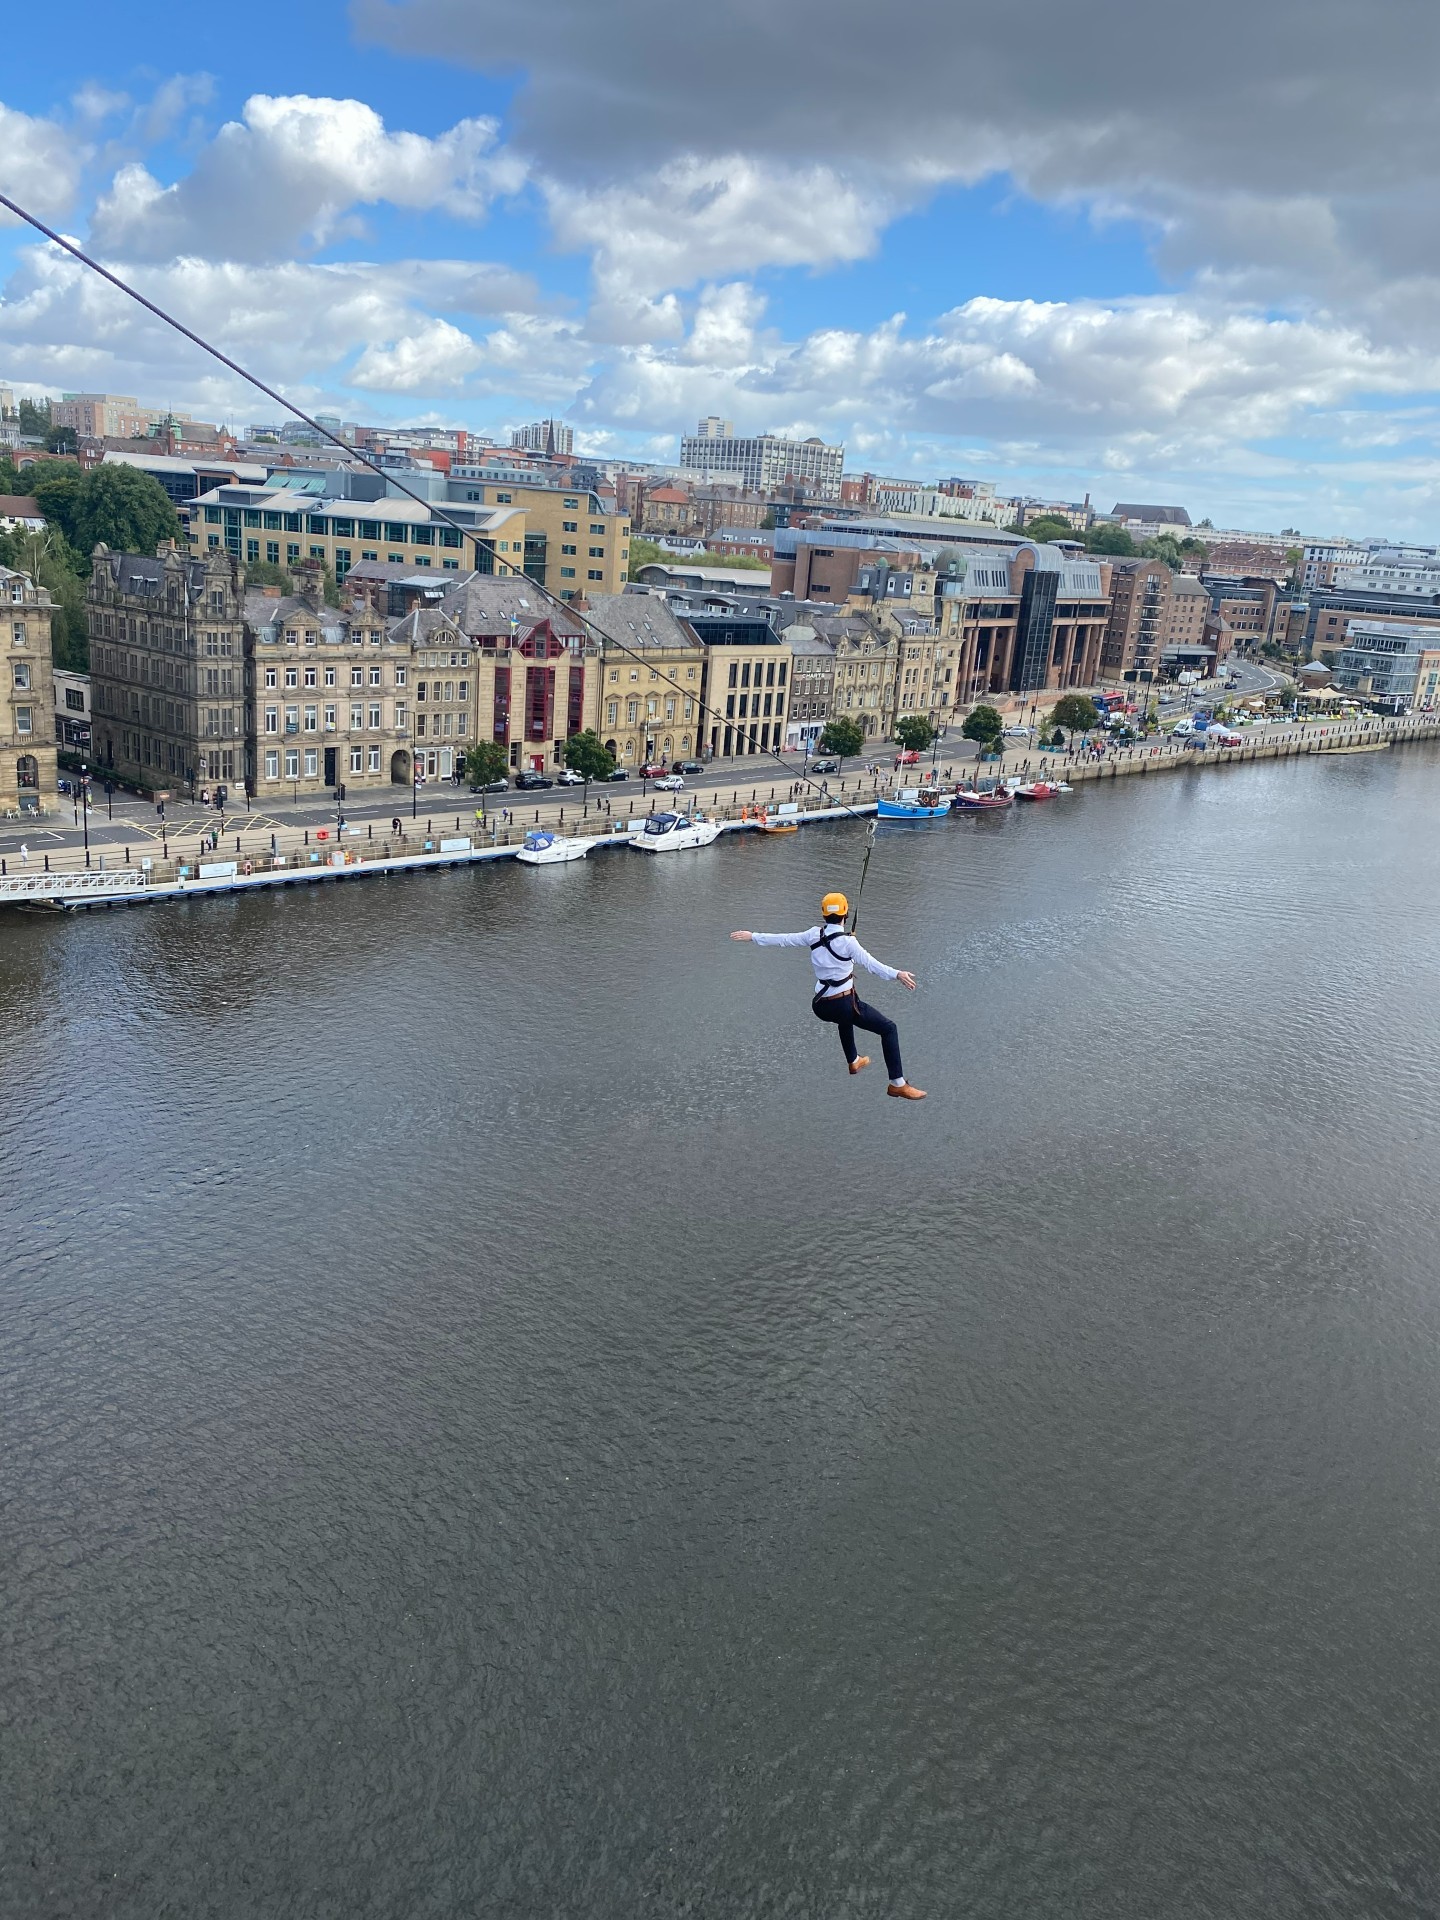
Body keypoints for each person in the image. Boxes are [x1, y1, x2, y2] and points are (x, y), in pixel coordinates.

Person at [731, 891, 925, 1099]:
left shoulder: (814, 934)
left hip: (821, 1006)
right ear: (846, 915)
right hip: (843, 1004)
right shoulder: (849, 943)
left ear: (824, 915)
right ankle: (897, 1084)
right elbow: (872, 965)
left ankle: (853, 1060)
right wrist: (898, 974)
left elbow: (784, 939)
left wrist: (753, 936)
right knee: (888, 1029)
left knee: (847, 1017)